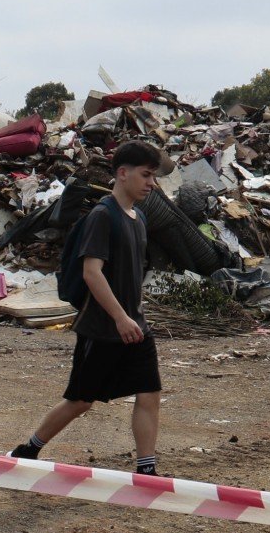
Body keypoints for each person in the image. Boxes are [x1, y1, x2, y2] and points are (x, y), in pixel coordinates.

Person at [9, 139, 165, 476]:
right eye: (146, 175)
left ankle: (146, 469)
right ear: (122, 173)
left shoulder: (138, 219)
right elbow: (91, 273)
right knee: (81, 400)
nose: (151, 183)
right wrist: (120, 317)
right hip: (103, 328)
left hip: (135, 326)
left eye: (153, 177)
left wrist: (132, 316)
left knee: (149, 392)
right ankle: (27, 449)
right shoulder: (102, 216)